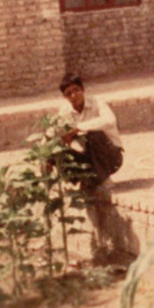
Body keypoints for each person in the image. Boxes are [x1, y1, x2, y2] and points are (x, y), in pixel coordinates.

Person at [56, 72, 124, 257]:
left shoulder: (97, 103)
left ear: (83, 90)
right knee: (58, 147)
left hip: (110, 156)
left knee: (92, 134)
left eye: (76, 90)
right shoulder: (64, 112)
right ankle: (86, 182)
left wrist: (79, 128)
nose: (74, 96)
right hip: (87, 159)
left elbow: (109, 120)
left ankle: (102, 179)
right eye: (69, 93)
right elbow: (54, 132)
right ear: (65, 97)